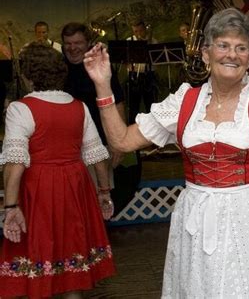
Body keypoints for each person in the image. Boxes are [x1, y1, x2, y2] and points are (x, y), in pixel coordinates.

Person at [83, 7, 249, 297]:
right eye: (223, 45)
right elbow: (121, 141)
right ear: (206, 54)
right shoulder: (184, 101)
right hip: (194, 216)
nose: (232, 54)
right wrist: (103, 84)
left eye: (241, 48)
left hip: (246, 217)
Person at [0, 43, 115, 298]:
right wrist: (104, 191)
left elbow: (15, 162)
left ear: (27, 75)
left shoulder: (21, 108)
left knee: (39, 255)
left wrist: (10, 207)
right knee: (71, 260)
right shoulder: (80, 107)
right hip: (76, 188)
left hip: (37, 190)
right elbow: (97, 156)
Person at [61, 22, 126, 185]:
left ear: (88, 43)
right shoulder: (58, 67)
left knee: (100, 196)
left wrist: (119, 141)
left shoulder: (100, 65)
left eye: (78, 43)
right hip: (67, 148)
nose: (72, 48)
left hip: (99, 144)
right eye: (68, 43)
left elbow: (117, 102)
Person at [126, 20, 159, 123]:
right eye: (136, 31)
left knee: (151, 104)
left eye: (141, 30)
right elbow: (124, 60)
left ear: (145, 29)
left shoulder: (153, 41)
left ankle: (153, 127)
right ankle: (132, 126)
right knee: (133, 106)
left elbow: (157, 61)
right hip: (134, 75)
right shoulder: (129, 41)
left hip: (149, 75)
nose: (139, 34)